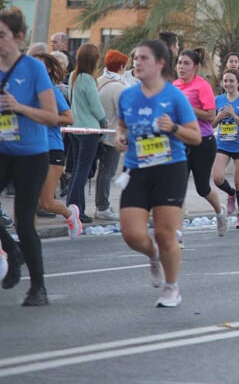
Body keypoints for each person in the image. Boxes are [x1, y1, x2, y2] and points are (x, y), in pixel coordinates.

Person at [116, 39, 201, 308]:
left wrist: (173, 128)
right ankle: (153, 255)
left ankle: (171, 287)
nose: (137, 63)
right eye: (135, 58)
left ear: (160, 63)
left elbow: (196, 137)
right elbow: (122, 126)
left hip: (169, 168)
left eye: (143, 58)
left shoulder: (174, 96)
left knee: (165, 233)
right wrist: (121, 137)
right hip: (137, 168)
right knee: (131, 234)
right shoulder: (127, 96)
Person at [0, 10, 60, 306]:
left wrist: (19, 107)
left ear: (18, 38)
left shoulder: (33, 69)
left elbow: (52, 116)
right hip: (3, 149)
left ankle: (39, 288)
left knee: (25, 221)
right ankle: (13, 251)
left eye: (1, 36)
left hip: (32, 154)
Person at [173, 49, 228, 237]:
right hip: (181, 142)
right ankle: (177, 233)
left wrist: (189, 108)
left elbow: (211, 115)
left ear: (195, 67)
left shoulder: (201, 86)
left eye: (186, 63)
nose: (181, 67)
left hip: (203, 141)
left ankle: (220, 212)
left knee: (202, 187)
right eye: (179, 62)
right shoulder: (174, 86)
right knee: (177, 186)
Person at [34, 53, 82, 237]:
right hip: (31, 149)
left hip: (52, 148)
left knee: (46, 203)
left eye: (38, 65)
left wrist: (46, 118)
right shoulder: (25, 92)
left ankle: (70, 213)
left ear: (48, 69)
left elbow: (69, 118)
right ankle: (30, 238)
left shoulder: (51, 92)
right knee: (28, 202)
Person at [66, 43, 107, 224]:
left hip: (74, 127)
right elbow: (95, 106)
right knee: (84, 169)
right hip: (89, 128)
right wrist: (104, 121)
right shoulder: (88, 79)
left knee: (76, 169)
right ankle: (75, 207)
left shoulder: (73, 77)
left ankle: (74, 207)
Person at [212, 69, 239, 228]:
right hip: (223, 144)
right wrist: (219, 117)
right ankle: (231, 194)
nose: (228, 84)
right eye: (225, 81)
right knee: (217, 177)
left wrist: (235, 116)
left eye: (231, 81)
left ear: (238, 82)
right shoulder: (218, 100)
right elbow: (210, 124)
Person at [95, 50, 129, 220]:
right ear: (122, 66)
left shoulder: (99, 81)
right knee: (107, 171)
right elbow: (124, 113)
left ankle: (100, 205)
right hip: (112, 135)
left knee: (102, 171)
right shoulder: (119, 87)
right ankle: (103, 207)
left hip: (98, 133)